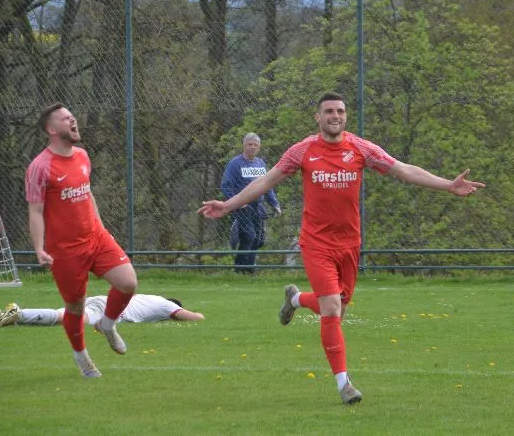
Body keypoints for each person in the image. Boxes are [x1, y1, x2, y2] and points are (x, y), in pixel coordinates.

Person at [199, 92, 485, 404]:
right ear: (317, 118)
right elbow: (266, 181)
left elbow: (403, 170)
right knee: (332, 308)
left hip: (349, 244)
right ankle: (344, 385)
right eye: (329, 111)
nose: (335, 116)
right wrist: (228, 205)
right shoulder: (302, 151)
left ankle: (295, 299)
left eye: (340, 111)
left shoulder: (360, 148)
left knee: (336, 308)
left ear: (345, 116)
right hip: (316, 243)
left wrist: (447, 185)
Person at [25, 103, 137, 378]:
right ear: (52, 129)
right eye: (66, 118)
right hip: (65, 251)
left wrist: (101, 228)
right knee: (75, 306)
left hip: (96, 237)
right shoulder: (40, 167)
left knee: (127, 283)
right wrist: (39, 248)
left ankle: (107, 324)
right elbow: (35, 211)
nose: (73, 120)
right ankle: (82, 356)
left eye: (72, 116)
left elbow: (87, 193)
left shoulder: (83, 156)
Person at [221, 132, 282, 273]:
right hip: (243, 208)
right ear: (244, 145)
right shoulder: (235, 163)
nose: (252, 147)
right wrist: (237, 202)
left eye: (255, 145)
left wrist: (275, 204)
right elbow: (226, 185)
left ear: (259, 147)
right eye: (250, 144)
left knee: (259, 239)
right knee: (249, 236)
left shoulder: (260, 163)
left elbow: (267, 185)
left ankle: (249, 268)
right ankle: (241, 269)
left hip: (258, 207)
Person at [0, 294, 205, 328]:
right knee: (64, 320)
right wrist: (195, 315)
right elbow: (195, 318)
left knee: (58, 314)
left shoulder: (149, 298)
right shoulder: (168, 306)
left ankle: (6, 314)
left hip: (101, 299)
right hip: (111, 310)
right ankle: (19, 314)